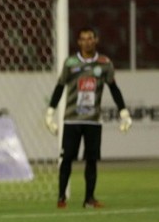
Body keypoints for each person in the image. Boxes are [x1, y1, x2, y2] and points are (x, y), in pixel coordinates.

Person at [44, 27, 132, 209]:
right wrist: (50, 111)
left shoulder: (104, 63)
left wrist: (123, 112)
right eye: (83, 39)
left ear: (96, 40)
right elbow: (60, 87)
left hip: (93, 120)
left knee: (91, 159)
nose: (87, 42)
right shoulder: (71, 63)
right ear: (78, 42)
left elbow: (114, 89)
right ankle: (61, 198)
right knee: (67, 158)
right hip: (72, 119)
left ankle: (89, 199)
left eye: (90, 38)